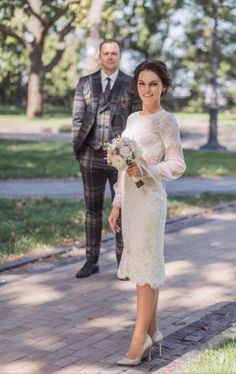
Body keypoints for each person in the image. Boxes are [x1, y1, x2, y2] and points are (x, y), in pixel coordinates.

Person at [108, 59, 186, 366]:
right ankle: (154, 332)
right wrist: (116, 203)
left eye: (153, 84)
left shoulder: (167, 121)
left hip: (151, 201)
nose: (147, 89)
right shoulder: (131, 118)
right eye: (142, 83)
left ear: (163, 87)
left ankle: (137, 342)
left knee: (146, 269)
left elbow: (179, 165)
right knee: (142, 266)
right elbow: (122, 169)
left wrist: (148, 169)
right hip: (130, 202)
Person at [72, 39, 141, 278]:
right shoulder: (85, 83)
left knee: (121, 210)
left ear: (119, 56)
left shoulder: (130, 84)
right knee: (92, 210)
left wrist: (130, 155)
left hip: (119, 158)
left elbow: (136, 121)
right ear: (100, 56)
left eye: (114, 53)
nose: (110, 57)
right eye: (106, 53)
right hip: (90, 156)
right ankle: (91, 261)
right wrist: (78, 150)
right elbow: (77, 120)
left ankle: (123, 263)